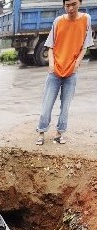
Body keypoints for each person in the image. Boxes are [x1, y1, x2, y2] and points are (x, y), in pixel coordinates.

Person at [36, 0, 94, 145]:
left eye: (74, 4)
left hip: (71, 73)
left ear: (80, 3)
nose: (70, 8)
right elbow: (50, 45)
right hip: (55, 71)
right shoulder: (58, 21)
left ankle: (59, 134)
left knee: (65, 106)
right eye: (67, 5)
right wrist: (51, 64)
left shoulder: (86, 19)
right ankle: (41, 132)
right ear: (64, 6)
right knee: (47, 105)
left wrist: (76, 64)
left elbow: (84, 46)